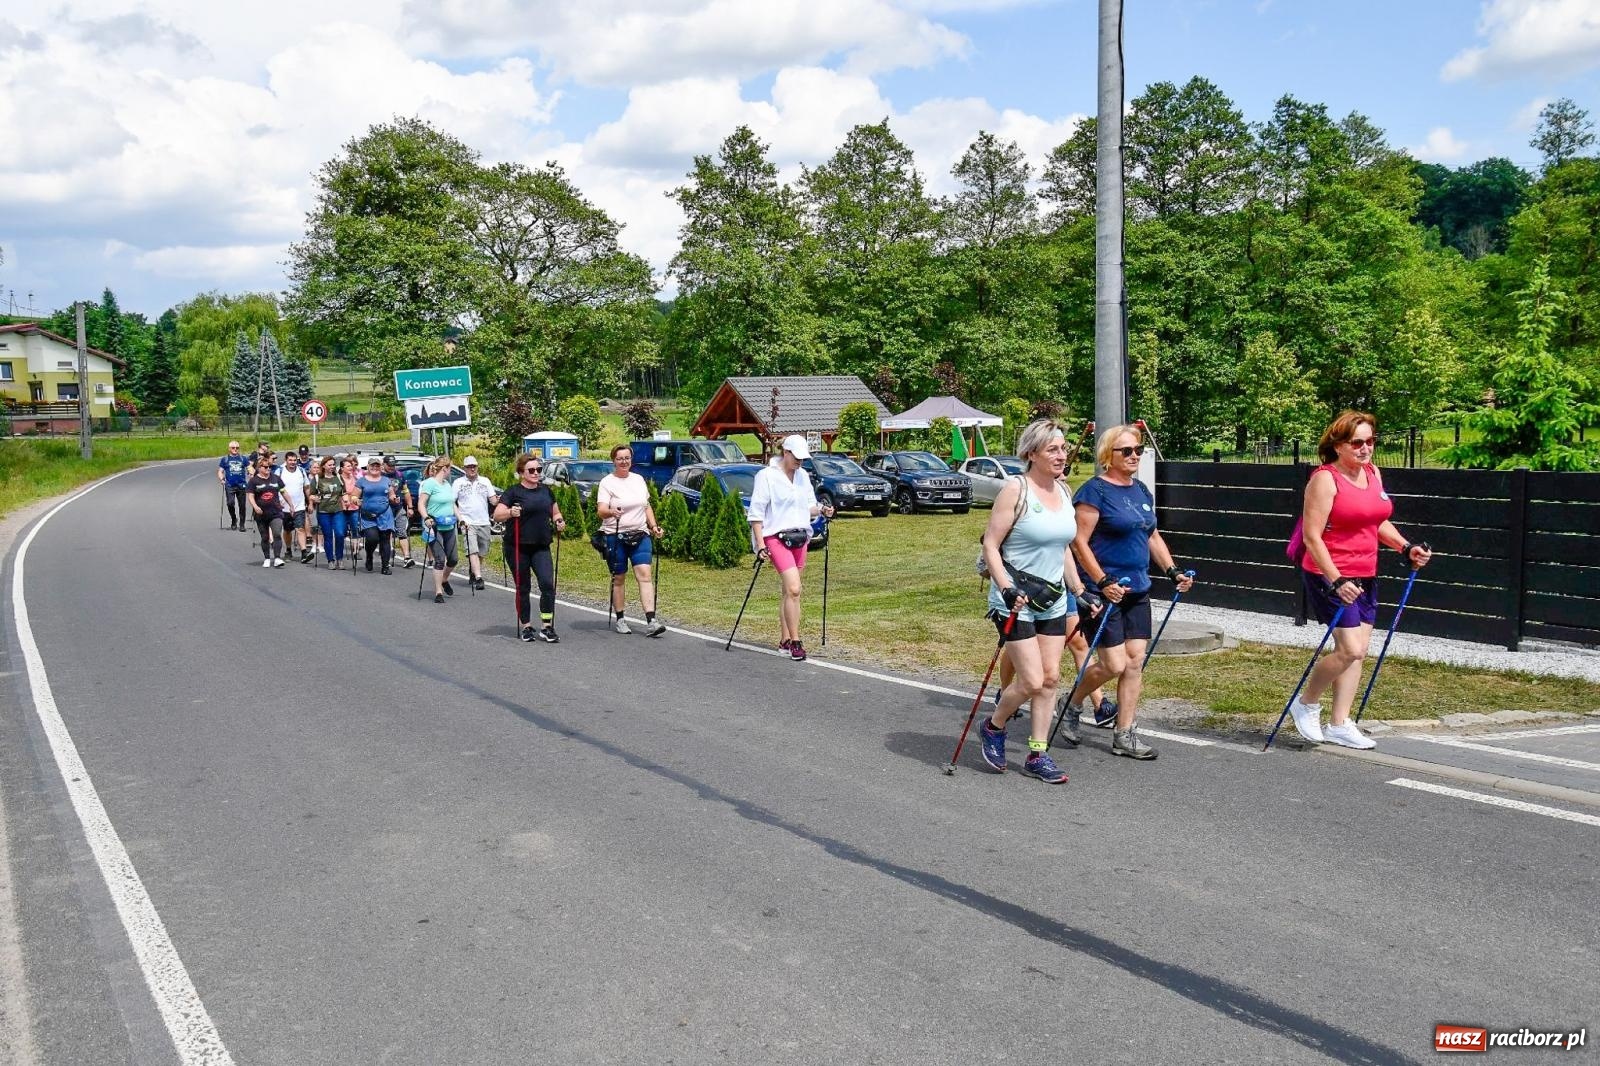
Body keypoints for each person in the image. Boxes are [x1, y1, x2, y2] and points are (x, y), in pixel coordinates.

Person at [1290, 411, 1432, 749]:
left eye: (1370, 441)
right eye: (1357, 443)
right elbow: (1312, 537)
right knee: (1350, 649)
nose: (1365, 448)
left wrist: (1405, 546)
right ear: (1338, 445)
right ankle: (1306, 703)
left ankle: (1339, 723)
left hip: (1366, 572)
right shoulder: (1325, 479)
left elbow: (1375, 521)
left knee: (1358, 651)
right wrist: (1336, 579)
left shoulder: (1372, 474)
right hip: (1330, 574)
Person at [1062, 425, 1195, 761]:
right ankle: (1073, 703)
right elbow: (1078, 542)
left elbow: (1151, 536)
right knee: (1113, 663)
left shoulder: (1141, 491)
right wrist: (1102, 580)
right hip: (1103, 592)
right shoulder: (1094, 492)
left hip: (1137, 589)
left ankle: (1124, 734)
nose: (1135, 455)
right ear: (1109, 455)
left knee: (1134, 663)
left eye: (1138, 450)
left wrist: (1172, 570)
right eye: (1127, 451)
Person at [975, 420, 1098, 784]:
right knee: (1030, 680)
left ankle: (1037, 753)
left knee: (1050, 678)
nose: (1061, 455)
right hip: (1015, 599)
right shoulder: (1016, 490)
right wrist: (1006, 586)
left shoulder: (1062, 490)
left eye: (1062, 448)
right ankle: (994, 726)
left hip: (1054, 599)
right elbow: (991, 545)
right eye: (1052, 450)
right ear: (1032, 454)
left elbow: (1061, 549)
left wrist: (1079, 591)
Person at [746, 435, 834, 661]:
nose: (800, 462)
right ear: (785, 452)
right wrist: (760, 545)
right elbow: (756, 514)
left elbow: (808, 507)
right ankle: (796, 641)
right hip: (776, 537)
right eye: (796, 457)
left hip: (800, 536)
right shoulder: (766, 476)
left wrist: (822, 509)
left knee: (789, 591)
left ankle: (784, 639)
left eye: (803, 459)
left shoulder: (803, 476)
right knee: (795, 589)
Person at [493, 453, 566, 642]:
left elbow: (555, 511)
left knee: (547, 585)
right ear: (521, 472)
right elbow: (497, 515)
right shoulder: (513, 492)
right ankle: (526, 626)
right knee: (523, 587)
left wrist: (558, 520)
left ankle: (547, 626)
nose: (536, 473)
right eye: (531, 470)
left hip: (541, 546)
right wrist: (510, 512)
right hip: (517, 546)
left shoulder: (546, 491)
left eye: (539, 470)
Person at [595, 444, 667, 637]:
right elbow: (601, 511)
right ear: (614, 461)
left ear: (631, 460)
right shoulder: (607, 482)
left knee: (644, 574)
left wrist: (654, 527)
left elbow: (646, 506)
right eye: (620, 458)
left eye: (627, 458)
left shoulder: (638, 480)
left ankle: (651, 621)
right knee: (618, 578)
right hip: (615, 535)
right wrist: (611, 511)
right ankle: (620, 619)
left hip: (640, 534)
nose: (624, 462)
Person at [418, 456, 464, 604]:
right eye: (450, 468)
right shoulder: (429, 484)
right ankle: (438, 591)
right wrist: (426, 517)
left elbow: (452, 505)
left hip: (449, 525)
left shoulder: (447, 485)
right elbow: (421, 504)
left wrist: (461, 519)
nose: (450, 471)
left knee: (454, 559)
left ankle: (444, 579)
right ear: (444, 468)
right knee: (440, 559)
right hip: (435, 526)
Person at [453, 456, 499, 591]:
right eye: (469, 467)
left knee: (482, 552)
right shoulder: (458, 482)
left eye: (474, 466)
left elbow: (493, 501)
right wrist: (460, 518)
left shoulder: (485, 481)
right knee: (472, 549)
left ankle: (473, 570)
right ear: (464, 468)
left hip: (483, 521)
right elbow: (452, 502)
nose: (472, 469)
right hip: (467, 522)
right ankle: (478, 577)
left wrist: (499, 500)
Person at [354, 457, 398, 574]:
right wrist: (356, 500)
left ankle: (385, 566)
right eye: (372, 466)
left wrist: (394, 499)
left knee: (385, 539)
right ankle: (369, 555)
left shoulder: (386, 480)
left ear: (381, 467)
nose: (375, 468)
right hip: (368, 516)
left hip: (385, 514)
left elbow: (391, 494)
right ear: (368, 467)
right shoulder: (361, 481)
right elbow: (354, 496)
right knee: (373, 538)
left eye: (377, 466)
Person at [245, 454, 288, 568]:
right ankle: (267, 558)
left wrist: (291, 504)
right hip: (261, 513)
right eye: (265, 467)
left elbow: (283, 491)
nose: (268, 468)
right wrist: (255, 506)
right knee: (265, 537)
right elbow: (250, 496)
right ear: (259, 468)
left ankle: (278, 557)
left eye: (269, 466)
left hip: (276, 512)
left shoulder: (275, 478)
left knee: (277, 534)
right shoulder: (254, 481)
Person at [310, 457, 348, 570]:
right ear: (324, 466)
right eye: (330, 465)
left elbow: (343, 492)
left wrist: (346, 500)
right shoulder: (317, 479)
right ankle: (330, 559)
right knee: (328, 536)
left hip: (338, 510)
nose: (332, 467)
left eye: (333, 465)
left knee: (340, 534)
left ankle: (339, 558)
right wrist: (314, 499)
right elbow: (311, 495)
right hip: (323, 511)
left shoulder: (338, 478)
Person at [383, 455, 418, 569]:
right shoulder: (380, 476)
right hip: (385, 508)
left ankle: (407, 557)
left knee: (402, 531)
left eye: (393, 465)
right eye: (389, 465)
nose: (392, 468)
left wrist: (410, 506)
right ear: (384, 464)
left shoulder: (399, 475)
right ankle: (388, 556)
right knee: (387, 532)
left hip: (398, 507)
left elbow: (405, 491)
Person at [279, 451, 312, 563]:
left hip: (299, 506)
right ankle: (288, 550)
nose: (293, 462)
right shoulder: (280, 471)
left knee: (300, 528)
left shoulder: (301, 471)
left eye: (294, 460)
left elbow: (306, 487)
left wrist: (310, 502)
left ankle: (304, 553)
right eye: (290, 460)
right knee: (287, 530)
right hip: (284, 507)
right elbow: (274, 487)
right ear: (286, 461)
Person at [217, 441, 251, 531]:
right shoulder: (225, 459)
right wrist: (221, 479)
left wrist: (251, 472)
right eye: (233, 447)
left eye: (237, 448)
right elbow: (220, 471)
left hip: (242, 485)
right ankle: (233, 519)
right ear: (229, 449)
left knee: (242, 505)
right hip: (229, 485)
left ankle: (242, 523)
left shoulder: (243, 459)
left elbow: (249, 468)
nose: (235, 449)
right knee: (230, 503)